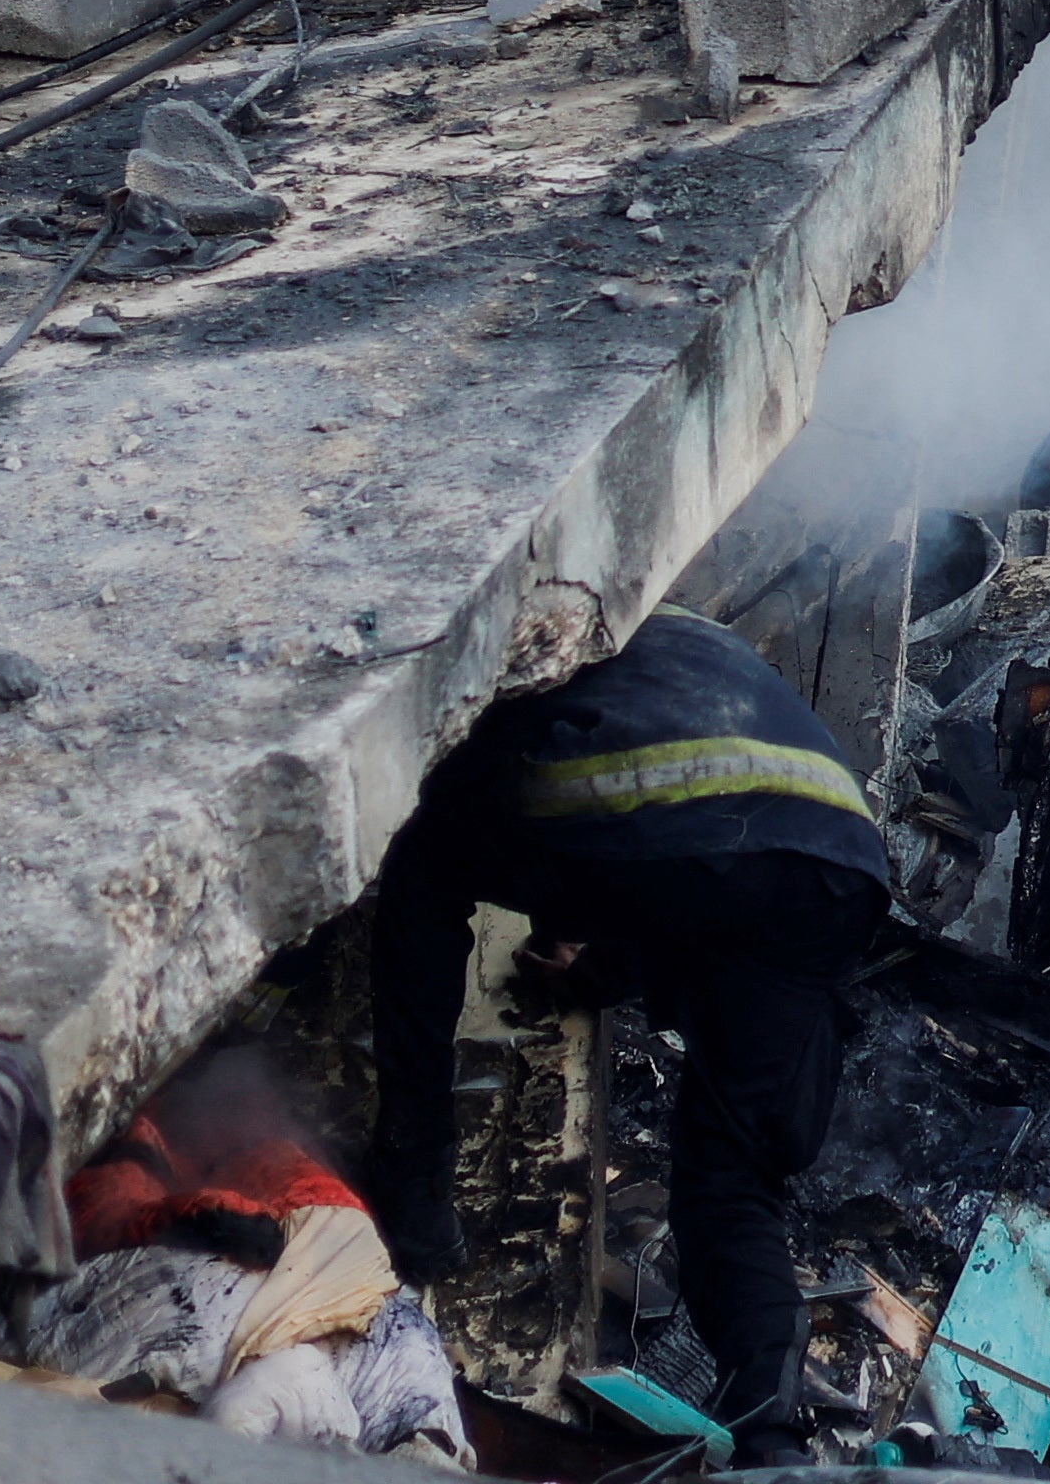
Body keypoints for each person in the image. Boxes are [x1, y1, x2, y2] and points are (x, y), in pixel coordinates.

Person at [362, 608, 890, 1468]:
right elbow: (699, 893)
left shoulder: (485, 626)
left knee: (422, 863)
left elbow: (652, 847)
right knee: (731, 1176)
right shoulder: (650, 624)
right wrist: (597, 967)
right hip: (834, 859)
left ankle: (415, 1192)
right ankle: (771, 1437)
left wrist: (576, 923)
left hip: (649, 813)